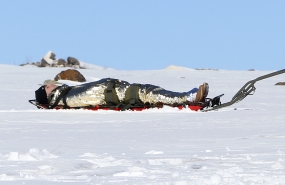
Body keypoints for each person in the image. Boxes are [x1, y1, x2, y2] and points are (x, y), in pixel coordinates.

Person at [34, 78, 210, 109]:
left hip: (114, 89)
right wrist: (109, 89)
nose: (50, 84)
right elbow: (91, 96)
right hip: (114, 94)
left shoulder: (66, 93)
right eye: (47, 87)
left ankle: (186, 96)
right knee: (148, 93)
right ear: (47, 95)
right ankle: (188, 98)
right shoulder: (66, 98)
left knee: (150, 90)